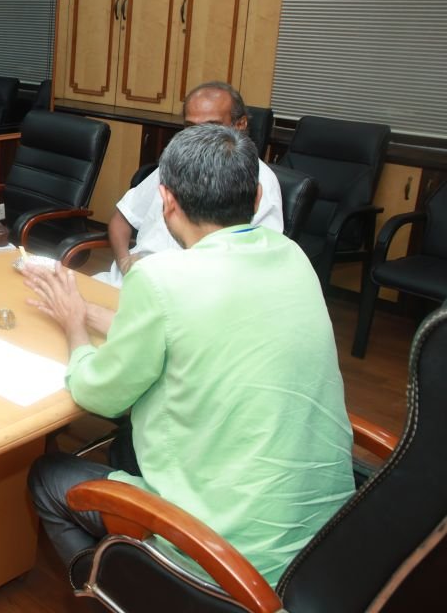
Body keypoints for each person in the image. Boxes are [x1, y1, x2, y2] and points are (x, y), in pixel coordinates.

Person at [25, 124, 354, 587]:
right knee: (131, 444)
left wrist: (75, 328)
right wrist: (88, 312)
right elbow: (197, 334)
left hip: (229, 559)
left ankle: (110, 583)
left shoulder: (162, 277)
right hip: (328, 543)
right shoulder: (293, 257)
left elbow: (98, 395)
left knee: (47, 476)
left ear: (166, 201)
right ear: (258, 196)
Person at [97, 81, 283, 287]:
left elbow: (256, 266)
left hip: (185, 293)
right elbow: (121, 219)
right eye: (190, 128)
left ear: (239, 125)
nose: (198, 138)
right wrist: (124, 262)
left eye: (211, 126)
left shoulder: (258, 179)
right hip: (126, 281)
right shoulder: (174, 164)